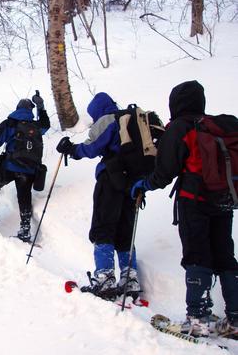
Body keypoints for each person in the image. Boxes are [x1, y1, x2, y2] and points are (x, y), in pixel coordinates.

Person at [131, 80, 238, 338]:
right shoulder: (216, 126)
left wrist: (144, 184)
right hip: (225, 199)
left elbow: (165, 171)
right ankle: (235, 319)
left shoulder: (180, 128)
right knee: (225, 256)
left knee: (197, 255)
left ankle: (198, 318)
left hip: (194, 200)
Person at [56, 92, 143, 300]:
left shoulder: (108, 119)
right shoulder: (134, 121)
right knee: (125, 229)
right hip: (134, 183)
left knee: (103, 226)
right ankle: (130, 278)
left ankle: (105, 278)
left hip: (111, 180)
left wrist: (72, 150)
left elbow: (92, 147)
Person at [0, 94, 50, 242]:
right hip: (30, 170)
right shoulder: (35, 126)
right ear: (30, 111)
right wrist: (41, 107)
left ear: (17, 108)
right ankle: (25, 229)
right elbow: (46, 125)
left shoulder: (10, 123)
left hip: (11, 167)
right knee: (24, 196)